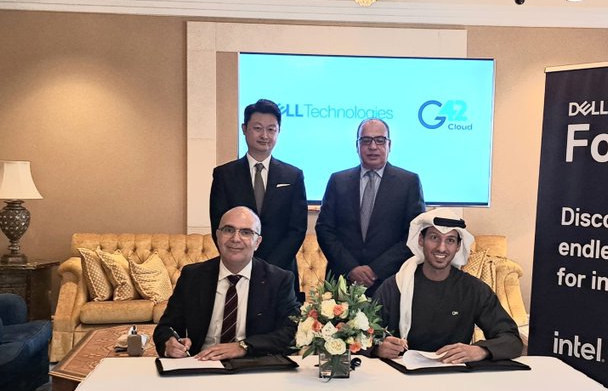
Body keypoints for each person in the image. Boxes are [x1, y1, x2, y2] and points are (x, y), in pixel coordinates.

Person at [374, 208, 523, 362]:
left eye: (450, 240)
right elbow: (362, 337)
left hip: (455, 371)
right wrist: (378, 348)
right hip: (400, 372)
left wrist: (480, 350)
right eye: (434, 238)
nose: (441, 248)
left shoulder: (473, 289)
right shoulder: (395, 286)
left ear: (458, 246)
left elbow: (511, 340)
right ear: (421, 240)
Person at [153, 206, 299, 360]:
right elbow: (166, 327)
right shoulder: (193, 276)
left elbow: (291, 331)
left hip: (254, 364)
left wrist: (244, 346)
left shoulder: (279, 280)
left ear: (257, 242)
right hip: (202, 362)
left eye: (246, 232)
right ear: (218, 236)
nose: (235, 238)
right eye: (228, 230)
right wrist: (169, 343)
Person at [315, 118, 425, 296]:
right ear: (357, 145)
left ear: (389, 145)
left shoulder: (408, 182)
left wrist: (376, 270)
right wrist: (351, 268)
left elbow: (414, 234)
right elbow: (324, 229)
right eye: (366, 140)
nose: (373, 146)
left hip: (390, 282)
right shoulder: (338, 181)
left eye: (380, 140)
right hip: (343, 282)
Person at [210, 99, 307, 298]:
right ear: (244, 129)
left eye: (271, 129)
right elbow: (218, 226)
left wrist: (268, 268)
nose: (264, 135)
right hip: (237, 270)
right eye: (257, 128)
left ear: (278, 132)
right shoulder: (224, 175)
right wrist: (244, 264)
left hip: (281, 271)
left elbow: (297, 229)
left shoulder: (293, 176)